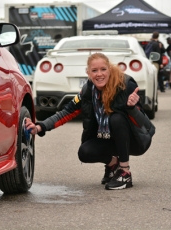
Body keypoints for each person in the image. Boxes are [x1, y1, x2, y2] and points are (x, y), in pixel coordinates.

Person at [25, 52, 155, 190]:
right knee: (85, 153)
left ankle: (125, 172)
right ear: (88, 73)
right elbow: (66, 112)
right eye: (94, 70)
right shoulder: (87, 91)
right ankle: (113, 164)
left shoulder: (125, 85)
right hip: (109, 139)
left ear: (109, 70)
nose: (99, 74)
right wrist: (40, 127)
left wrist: (132, 108)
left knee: (117, 118)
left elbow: (143, 124)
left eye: (103, 69)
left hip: (135, 141)